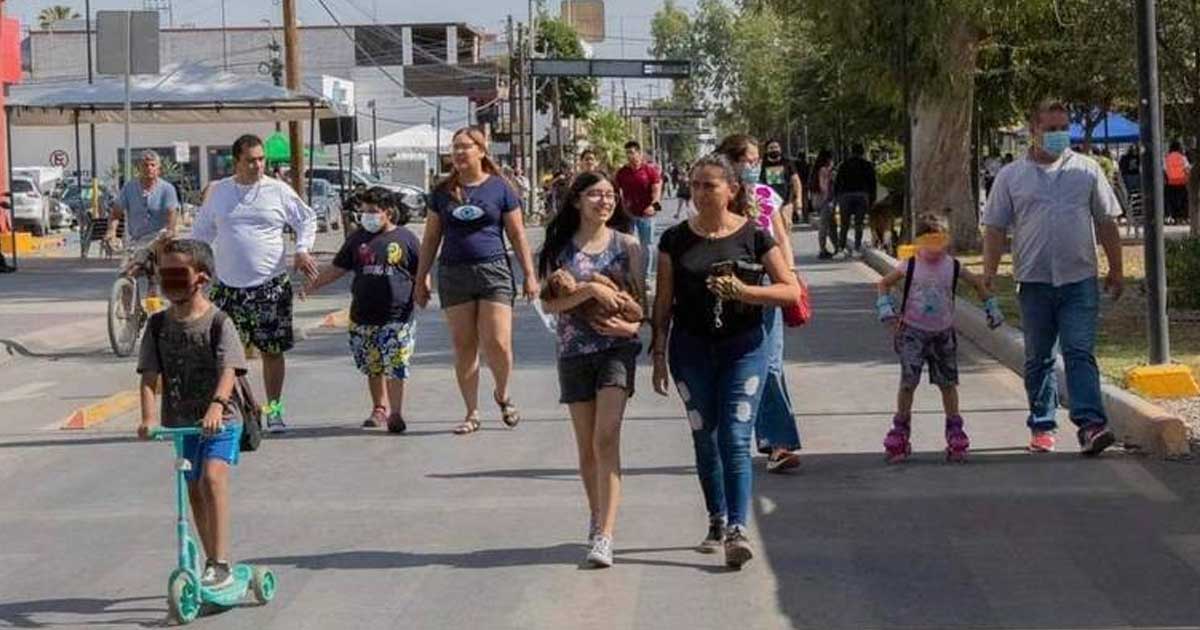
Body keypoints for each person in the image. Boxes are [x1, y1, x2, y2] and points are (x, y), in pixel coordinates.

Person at [651, 154, 801, 569]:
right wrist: (658, 353)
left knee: (734, 437)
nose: (700, 193)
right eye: (695, 185)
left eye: (709, 185)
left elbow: (790, 291)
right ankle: (716, 519)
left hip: (744, 348)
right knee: (706, 434)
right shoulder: (674, 240)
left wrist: (744, 292)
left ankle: (737, 528)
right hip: (691, 349)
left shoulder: (755, 236)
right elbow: (663, 302)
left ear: (731, 190)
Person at [982, 98, 1123, 456]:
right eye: (1051, 129)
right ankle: (1042, 425)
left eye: (1064, 129)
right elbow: (995, 228)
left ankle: (1092, 425)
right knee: (1039, 357)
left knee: (1079, 351)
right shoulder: (1011, 176)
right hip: (1034, 281)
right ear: (1033, 131)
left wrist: (1116, 269)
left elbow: (1106, 222)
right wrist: (988, 273)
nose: (1059, 135)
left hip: (1079, 280)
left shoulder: (1088, 170)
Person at [538, 171, 646, 568]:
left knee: (606, 437)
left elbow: (640, 305)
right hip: (573, 351)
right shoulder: (557, 248)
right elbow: (548, 305)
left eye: (609, 195)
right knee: (586, 446)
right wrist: (589, 291)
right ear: (577, 201)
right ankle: (596, 515)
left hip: (617, 350)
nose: (604, 201)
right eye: (595, 195)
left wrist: (632, 324)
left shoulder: (629, 245)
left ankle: (606, 535)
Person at [137, 239, 248, 589]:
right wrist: (148, 418)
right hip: (182, 422)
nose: (169, 281)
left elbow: (230, 368)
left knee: (211, 479)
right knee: (193, 489)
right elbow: (148, 376)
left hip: (221, 420)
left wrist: (217, 405)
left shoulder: (218, 322)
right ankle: (209, 559)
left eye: (176, 274)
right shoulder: (156, 326)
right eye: (163, 273)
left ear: (201, 278)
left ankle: (221, 561)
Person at [415, 127, 539, 435]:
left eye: (465, 147)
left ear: (481, 151)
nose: (458, 153)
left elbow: (517, 234)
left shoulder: (500, 188)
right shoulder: (442, 191)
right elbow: (431, 238)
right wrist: (422, 278)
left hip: (493, 269)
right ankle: (472, 412)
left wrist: (530, 274)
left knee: (498, 342)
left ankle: (503, 393)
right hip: (454, 273)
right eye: (454, 148)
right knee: (464, 346)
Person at [192, 134, 319, 434]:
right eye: (251, 160)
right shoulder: (220, 193)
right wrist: (195, 269)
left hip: (270, 287)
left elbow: (307, 219)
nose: (258, 165)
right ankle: (232, 409)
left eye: (262, 159)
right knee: (224, 356)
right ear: (236, 161)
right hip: (227, 288)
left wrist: (302, 249)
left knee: (272, 351)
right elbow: (201, 233)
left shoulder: (278, 191)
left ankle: (274, 410)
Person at [875, 213, 1001, 463]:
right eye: (928, 240)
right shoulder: (909, 265)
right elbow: (883, 283)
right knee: (908, 382)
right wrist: (884, 306)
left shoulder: (952, 266)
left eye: (939, 240)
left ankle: (955, 430)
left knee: (948, 384)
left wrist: (992, 306)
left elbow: (977, 283)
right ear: (919, 240)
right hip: (913, 332)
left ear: (946, 241)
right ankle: (900, 430)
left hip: (943, 334)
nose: (934, 247)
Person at [716, 134, 803, 473]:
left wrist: (790, 276)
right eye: (748, 161)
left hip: (768, 288)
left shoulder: (767, 195)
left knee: (771, 365)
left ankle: (776, 444)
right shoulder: (717, 197)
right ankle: (733, 437)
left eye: (756, 161)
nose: (754, 167)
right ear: (731, 161)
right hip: (730, 290)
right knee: (735, 365)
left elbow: (782, 239)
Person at [305, 187, 420, 434]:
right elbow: (339, 267)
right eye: (364, 211)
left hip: (398, 317)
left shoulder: (406, 238)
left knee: (396, 363)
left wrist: (424, 288)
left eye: (372, 211)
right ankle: (380, 407)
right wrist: (314, 284)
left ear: (388, 212)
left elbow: (420, 270)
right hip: (364, 315)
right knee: (373, 365)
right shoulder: (357, 239)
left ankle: (396, 413)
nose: (366, 216)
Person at [107, 150, 180, 250]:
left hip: (160, 241)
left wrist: (170, 230)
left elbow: (172, 213)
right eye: (145, 165)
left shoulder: (167, 189)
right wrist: (112, 231)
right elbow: (116, 213)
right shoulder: (129, 188)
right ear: (139, 168)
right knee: (130, 264)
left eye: (152, 165)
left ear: (158, 169)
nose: (149, 168)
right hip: (136, 242)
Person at [614, 141, 663, 278]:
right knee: (628, 245)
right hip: (628, 214)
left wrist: (654, 206)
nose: (630, 156)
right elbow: (616, 191)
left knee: (646, 246)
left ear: (639, 154)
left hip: (646, 215)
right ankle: (630, 274)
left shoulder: (649, 170)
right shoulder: (622, 173)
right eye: (628, 153)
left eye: (632, 153)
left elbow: (657, 190)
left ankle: (646, 276)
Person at [834, 144, 877, 258]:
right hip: (862, 195)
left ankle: (841, 248)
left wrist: (836, 197)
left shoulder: (844, 164)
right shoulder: (867, 165)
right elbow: (872, 183)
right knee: (859, 223)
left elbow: (837, 181)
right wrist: (872, 198)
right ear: (862, 152)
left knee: (844, 224)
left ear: (851, 152)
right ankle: (856, 248)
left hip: (845, 195)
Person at [759, 139, 803, 229]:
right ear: (767, 150)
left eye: (776, 147)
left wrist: (799, 198)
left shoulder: (787, 162)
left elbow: (796, 181)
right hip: (769, 200)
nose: (774, 149)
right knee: (772, 227)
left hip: (786, 199)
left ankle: (786, 242)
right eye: (771, 148)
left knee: (786, 224)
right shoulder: (762, 164)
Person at [812, 150, 837, 259]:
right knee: (825, 226)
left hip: (817, 200)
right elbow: (824, 186)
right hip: (824, 200)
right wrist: (829, 200)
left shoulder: (816, 169)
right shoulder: (824, 170)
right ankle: (823, 249)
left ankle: (836, 246)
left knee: (831, 225)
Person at [1165, 141, 1191, 225]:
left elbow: (1164, 170)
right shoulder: (1183, 158)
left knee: (1172, 201)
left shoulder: (1167, 158)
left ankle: (1173, 217)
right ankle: (1184, 218)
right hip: (1182, 182)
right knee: (1183, 201)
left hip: (1171, 183)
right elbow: (1187, 169)